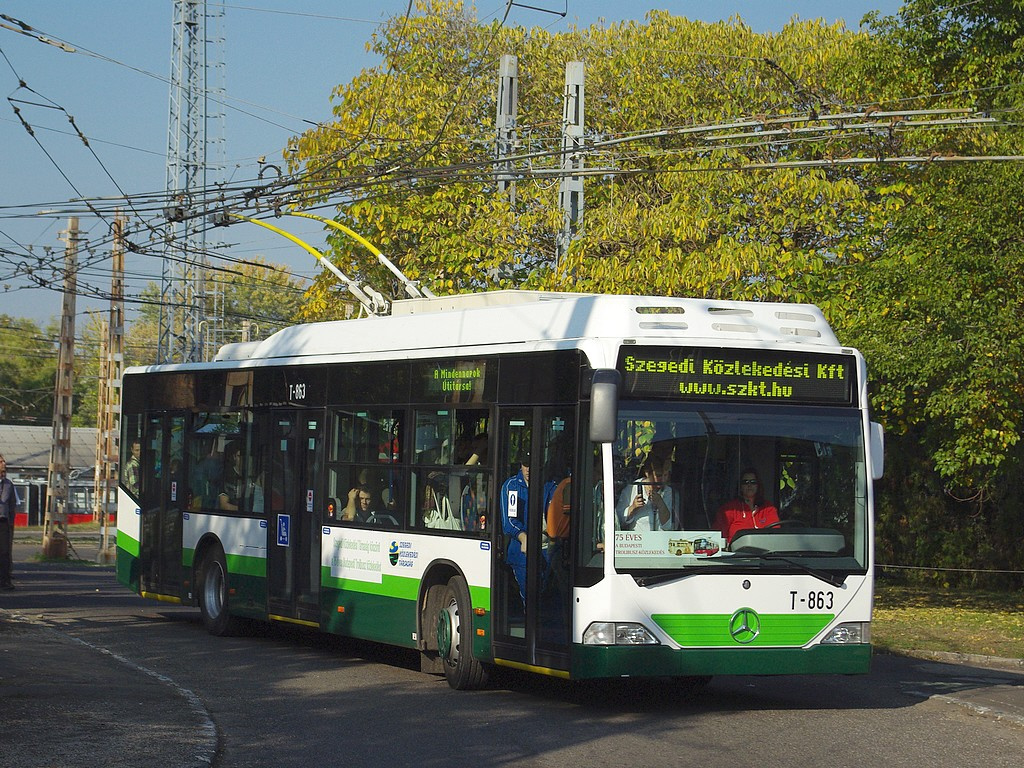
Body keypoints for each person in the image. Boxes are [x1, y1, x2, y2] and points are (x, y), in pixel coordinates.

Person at [500, 450, 532, 607]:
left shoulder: (548, 486)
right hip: (521, 552)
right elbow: (508, 522)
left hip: (546, 549)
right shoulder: (511, 486)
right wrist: (523, 536)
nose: (528, 469)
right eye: (526, 465)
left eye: (532, 465)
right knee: (528, 596)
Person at [715, 467, 779, 544]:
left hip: (765, 553)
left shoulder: (768, 508)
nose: (749, 485)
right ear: (740, 487)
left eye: (753, 482)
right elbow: (718, 537)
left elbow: (775, 535)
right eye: (745, 482)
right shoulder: (729, 508)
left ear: (758, 485)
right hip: (737, 555)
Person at [615, 454, 679, 531]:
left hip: (660, 540)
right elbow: (618, 521)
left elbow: (669, 527)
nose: (662, 479)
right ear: (647, 473)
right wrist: (633, 508)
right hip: (637, 540)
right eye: (658, 475)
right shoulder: (632, 488)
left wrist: (661, 504)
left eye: (665, 475)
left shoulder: (669, 492)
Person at [0, 454, 20, 590]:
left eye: (3, 461)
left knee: (4, 552)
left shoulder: (8, 484)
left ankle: (4, 581)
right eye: (0, 461)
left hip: (3, 521)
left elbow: (12, 503)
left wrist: (11, 521)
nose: (3, 463)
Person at [218, 442, 244, 512]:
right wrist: (245, 510)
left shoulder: (254, 475)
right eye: (239, 456)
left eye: (244, 456)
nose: (242, 459)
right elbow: (224, 505)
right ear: (234, 457)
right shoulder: (226, 476)